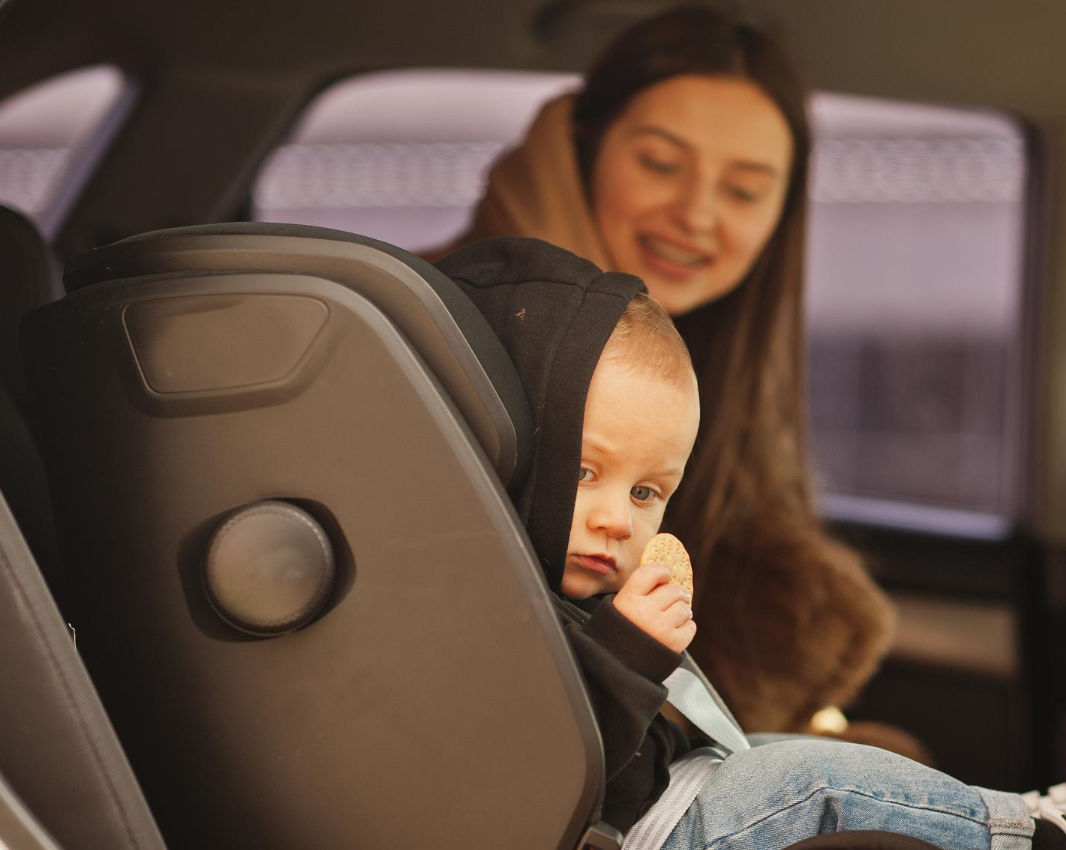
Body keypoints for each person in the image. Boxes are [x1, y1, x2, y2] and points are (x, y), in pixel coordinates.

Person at [435, 235, 1066, 850]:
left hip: (676, 795)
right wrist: (623, 656)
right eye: (582, 472)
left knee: (804, 758)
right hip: (642, 832)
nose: (618, 521)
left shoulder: (566, 597)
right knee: (814, 785)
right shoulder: (481, 617)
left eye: (647, 494)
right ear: (503, 453)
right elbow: (527, 770)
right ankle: (1025, 830)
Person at [428, 2, 894, 739]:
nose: (697, 214)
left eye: (742, 190)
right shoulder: (439, 343)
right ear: (582, 152)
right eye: (659, 163)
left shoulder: (729, 382)